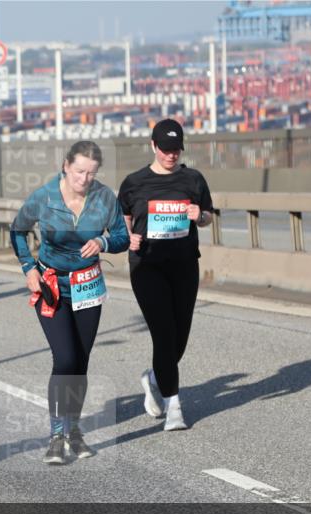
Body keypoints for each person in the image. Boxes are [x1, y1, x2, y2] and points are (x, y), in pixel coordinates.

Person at [11, 141, 129, 464]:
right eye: (79, 171)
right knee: (65, 358)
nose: (84, 179)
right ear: (66, 166)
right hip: (52, 285)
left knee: (81, 362)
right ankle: (56, 436)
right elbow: (17, 230)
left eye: (91, 173)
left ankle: (74, 431)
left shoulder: (105, 198)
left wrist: (103, 240)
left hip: (88, 285)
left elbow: (122, 237)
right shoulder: (44, 197)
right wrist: (28, 268)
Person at [118, 119, 214, 431]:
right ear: (153, 146)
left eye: (176, 150)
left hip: (185, 264)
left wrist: (200, 217)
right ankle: (174, 406)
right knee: (163, 333)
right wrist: (127, 237)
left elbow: (209, 216)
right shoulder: (135, 182)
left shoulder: (193, 179)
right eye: (165, 149)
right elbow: (124, 218)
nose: (171, 155)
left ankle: (154, 378)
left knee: (179, 338)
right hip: (147, 267)